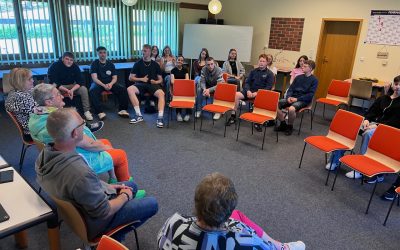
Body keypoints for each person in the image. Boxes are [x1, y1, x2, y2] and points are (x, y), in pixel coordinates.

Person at [36, 108, 158, 242]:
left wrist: (107, 187)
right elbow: (103, 212)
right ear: (75, 133)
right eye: (82, 123)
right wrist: (124, 196)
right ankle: (112, 237)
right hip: (93, 221)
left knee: (132, 185)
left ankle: (115, 232)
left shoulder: (44, 154)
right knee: (152, 203)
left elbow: (83, 184)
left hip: (78, 207)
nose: (84, 125)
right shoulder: (80, 173)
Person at [158, 172, 305, 250]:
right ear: (227, 214)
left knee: (238, 215)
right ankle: (281, 247)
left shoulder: (172, 223)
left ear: (196, 202)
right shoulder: (244, 238)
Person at [29, 83, 134, 183]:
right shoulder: (60, 122)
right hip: (79, 159)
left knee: (105, 141)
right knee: (120, 154)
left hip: (61, 156)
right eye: (58, 94)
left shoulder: (36, 117)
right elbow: (89, 145)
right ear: (49, 102)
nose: (61, 96)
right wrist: (107, 149)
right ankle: (125, 186)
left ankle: (113, 179)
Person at [326, 75, 400, 181]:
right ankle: (335, 160)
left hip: (388, 129)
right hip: (374, 124)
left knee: (368, 134)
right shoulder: (384, 98)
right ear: (393, 85)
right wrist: (367, 120)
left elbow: (395, 122)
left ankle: (359, 169)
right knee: (348, 127)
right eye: (396, 84)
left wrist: (377, 126)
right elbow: (372, 111)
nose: (398, 87)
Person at [226, 54, 274, 130]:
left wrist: (257, 93)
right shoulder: (253, 71)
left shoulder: (270, 74)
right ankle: (233, 116)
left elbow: (268, 87)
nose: (261, 63)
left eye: (263, 61)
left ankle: (258, 122)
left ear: (267, 63)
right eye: (260, 61)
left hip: (261, 93)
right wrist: (248, 91)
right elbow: (247, 82)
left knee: (262, 99)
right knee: (236, 95)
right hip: (249, 91)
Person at [127, 44, 165, 128]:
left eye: (145, 51)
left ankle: (160, 117)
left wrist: (156, 81)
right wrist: (141, 79)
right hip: (141, 84)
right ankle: (138, 115)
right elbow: (130, 78)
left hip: (152, 85)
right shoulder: (138, 63)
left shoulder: (155, 64)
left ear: (150, 52)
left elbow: (160, 80)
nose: (143, 52)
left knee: (161, 94)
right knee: (130, 89)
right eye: (143, 50)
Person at [275, 60, 318, 136]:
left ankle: (289, 126)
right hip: (292, 98)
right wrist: (288, 97)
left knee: (291, 109)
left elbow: (310, 95)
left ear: (310, 69)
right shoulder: (298, 77)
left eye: (305, 66)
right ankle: (283, 123)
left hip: (303, 100)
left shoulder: (314, 80)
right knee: (275, 104)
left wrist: (297, 99)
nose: (302, 67)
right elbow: (291, 89)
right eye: (303, 66)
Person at [47, 51, 93, 121]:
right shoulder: (55, 66)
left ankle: (86, 111)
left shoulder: (75, 66)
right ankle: (58, 112)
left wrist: (72, 90)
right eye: (67, 59)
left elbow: (80, 81)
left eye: (71, 60)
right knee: (54, 91)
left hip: (71, 86)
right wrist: (67, 91)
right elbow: (54, 82)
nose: (69, 61)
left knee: (83, 89)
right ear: (62, 59)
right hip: (59, 86)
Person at [89, 46, 130, 120]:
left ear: (106, 53)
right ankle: (99, 112)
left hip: (109, 83)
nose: (103, 54)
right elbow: (94, 78)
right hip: (98, 83)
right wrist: (103, 85)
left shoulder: (111, 64)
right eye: (100, 53)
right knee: (92, 91)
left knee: (123, 89)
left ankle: (122, 110)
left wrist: (110, 84)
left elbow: (115, 78)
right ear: (97, 54)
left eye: (104, 52)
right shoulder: (94, 64)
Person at [5, 68, 36, 141]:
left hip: (34, 125)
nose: (33, 80)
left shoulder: (18, 91)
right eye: (29, 79)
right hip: (32, 132)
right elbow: (38, 112)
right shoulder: (20, 97)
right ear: (20, 82)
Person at [170, 55, 191, 122]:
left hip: (184, 88)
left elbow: (187, 81)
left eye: (182, 60)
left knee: (189, 96)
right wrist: (181, 82)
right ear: (176, 60)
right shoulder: (173, 70)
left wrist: (179, 82)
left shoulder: (185, 70)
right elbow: (172, 81)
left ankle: (188, 113)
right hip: (176, 88)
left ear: (183, 62)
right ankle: (178, 114)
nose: (180, 61)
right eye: (178, 60)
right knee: (178, 96)